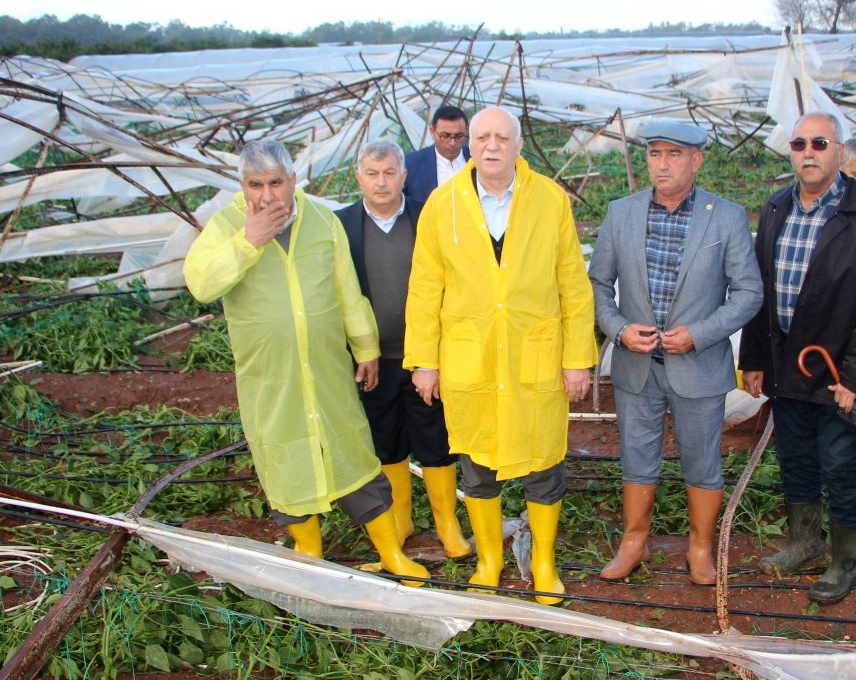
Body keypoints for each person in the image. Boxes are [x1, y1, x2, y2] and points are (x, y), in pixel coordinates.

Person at [183, 139, 428, 587]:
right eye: (255, 185)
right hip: (270, 374)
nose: (267, 195)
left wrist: (366, 348)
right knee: (285, 456)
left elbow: (346, 291)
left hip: (328, 366)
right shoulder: (226, 226)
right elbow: (201, 283)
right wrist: (246, 243)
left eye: (276, 182)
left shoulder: (320, 220)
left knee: (352, 449)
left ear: (293, 181)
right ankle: (308, 548)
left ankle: (391, 552)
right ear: (243, 185)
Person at [404, 106, 597, 605]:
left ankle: (544, 563)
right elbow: (425, 289)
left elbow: (572, 284)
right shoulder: (441, 205)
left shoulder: (549, 201)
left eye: (502, 138)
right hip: (471, 359)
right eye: (482, 136)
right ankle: (489, 559)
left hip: (533, 356)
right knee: (476, 462)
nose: (492, 146)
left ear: (517, 145)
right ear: (469, 143)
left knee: (543, 463)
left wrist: (578, 357)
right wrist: (425, 360)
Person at [738, 112, 856, 604]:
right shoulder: (776, 208)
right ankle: (803, 541)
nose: (807, 152)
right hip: (788, 364)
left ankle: (845, 560)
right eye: (798, 144)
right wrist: (755, 357)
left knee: (841, 462)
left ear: (839, 151)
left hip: (839, 372)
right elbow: (761, 290)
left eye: (819, 142)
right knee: (796, 457)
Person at [589, 121, 763, 585]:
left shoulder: (724, 217)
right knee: (636, 455)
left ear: (696, 160)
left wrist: (700, 334)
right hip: (636, 364)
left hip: (698, 366)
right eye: (654, 154)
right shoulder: (621, 212)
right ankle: (634, 542)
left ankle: (700, 547)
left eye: (674, 154)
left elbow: (748, 293)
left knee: (701, 458)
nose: (662, 164)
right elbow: (599, 284)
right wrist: (620, 329)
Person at [335, 139, 471, 560]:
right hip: (372, 358)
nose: (381, 182)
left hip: (424, 355)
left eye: (389, 173)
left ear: (404, 176)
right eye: (372, 174)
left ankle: (447, 523)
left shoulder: (426, 216)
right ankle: (399, 518)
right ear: (358, 177)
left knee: (435, 435)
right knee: (385, 437)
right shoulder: (341, 226)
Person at [403, 105, 470, 203]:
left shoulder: (477, 161)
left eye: (458, 136)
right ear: (432, 131)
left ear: (466, 131)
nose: (452, 143)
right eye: (445, 136)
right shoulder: (411, 165)